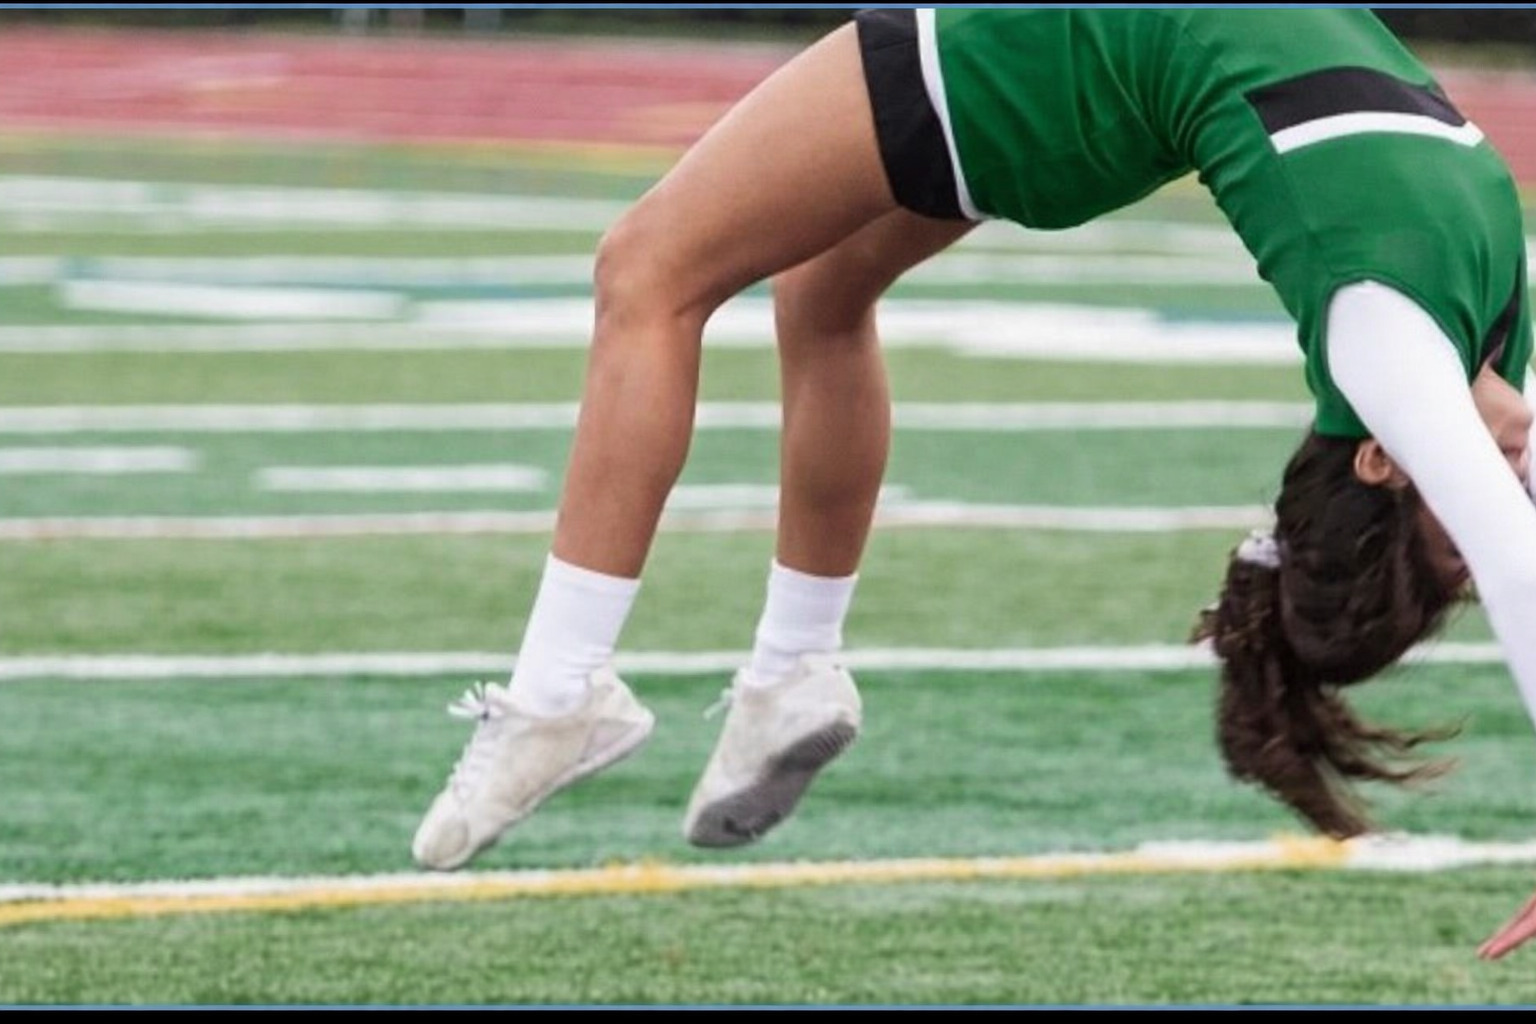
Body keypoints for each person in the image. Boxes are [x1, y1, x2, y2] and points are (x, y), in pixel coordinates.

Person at [407, 9, 1536, 957]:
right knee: (820, 291)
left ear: (1386, 459)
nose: (1516, 481)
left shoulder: (1382, 343)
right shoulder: (1496, 349)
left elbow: (1511, 550)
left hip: (1059, 60)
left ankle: (559, 692)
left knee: (646, 272)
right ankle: (792, 671)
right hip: (1111, 83)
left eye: (1462, 513)